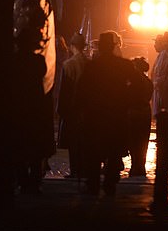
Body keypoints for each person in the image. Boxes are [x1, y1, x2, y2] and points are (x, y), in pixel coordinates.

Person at [76, 31, 140, 196]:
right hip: (117, 113)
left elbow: (81, 89)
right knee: (114, 148)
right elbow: (137, 83)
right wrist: (128, 99)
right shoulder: (123, 65)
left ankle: (93, 184)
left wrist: (81, 108)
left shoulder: (92, 66)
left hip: (96, 114)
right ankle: (110, 182)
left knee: (94, 150)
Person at [12, 28, 55, 194]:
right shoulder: (37, 60)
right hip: (35, 106)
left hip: (19, 107)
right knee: (36, 149)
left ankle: (23, 180)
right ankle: (35, 181)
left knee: (19, 147)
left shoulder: (14, 60)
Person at [56, 33, 90, 179]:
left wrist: (61, 110)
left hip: (72, 108)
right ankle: (83, 169)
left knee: (73, 141)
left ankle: (75, 169)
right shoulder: (90, 64)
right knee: (84, 140)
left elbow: (64, 90)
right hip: (87, 107)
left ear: (72, 47)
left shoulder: (68, 65)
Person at [128, 57, 153, 176]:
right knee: (143, 141)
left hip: (134, 112)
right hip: (146, 112)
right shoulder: (148, 81)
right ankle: (141, 166)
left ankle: (135, 165)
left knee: (134, 140)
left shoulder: (134, 80)